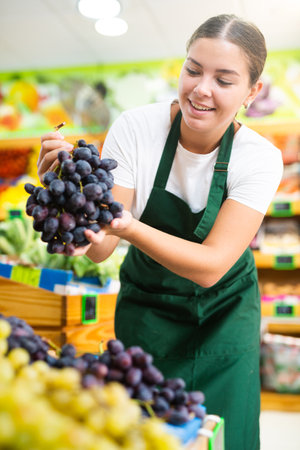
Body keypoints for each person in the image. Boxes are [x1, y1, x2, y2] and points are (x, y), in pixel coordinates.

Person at [37, 14, 283, 450]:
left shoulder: (259, 158)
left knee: (225, 433)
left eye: (224, 80)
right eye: (192, 70)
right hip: (147, 312)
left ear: (252, 92)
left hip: (224, 318)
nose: (201, 89)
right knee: (146, 430)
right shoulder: (136, 128)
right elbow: (101, 248)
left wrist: (128, 225)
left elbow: (210, 267)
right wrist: (71, 203)